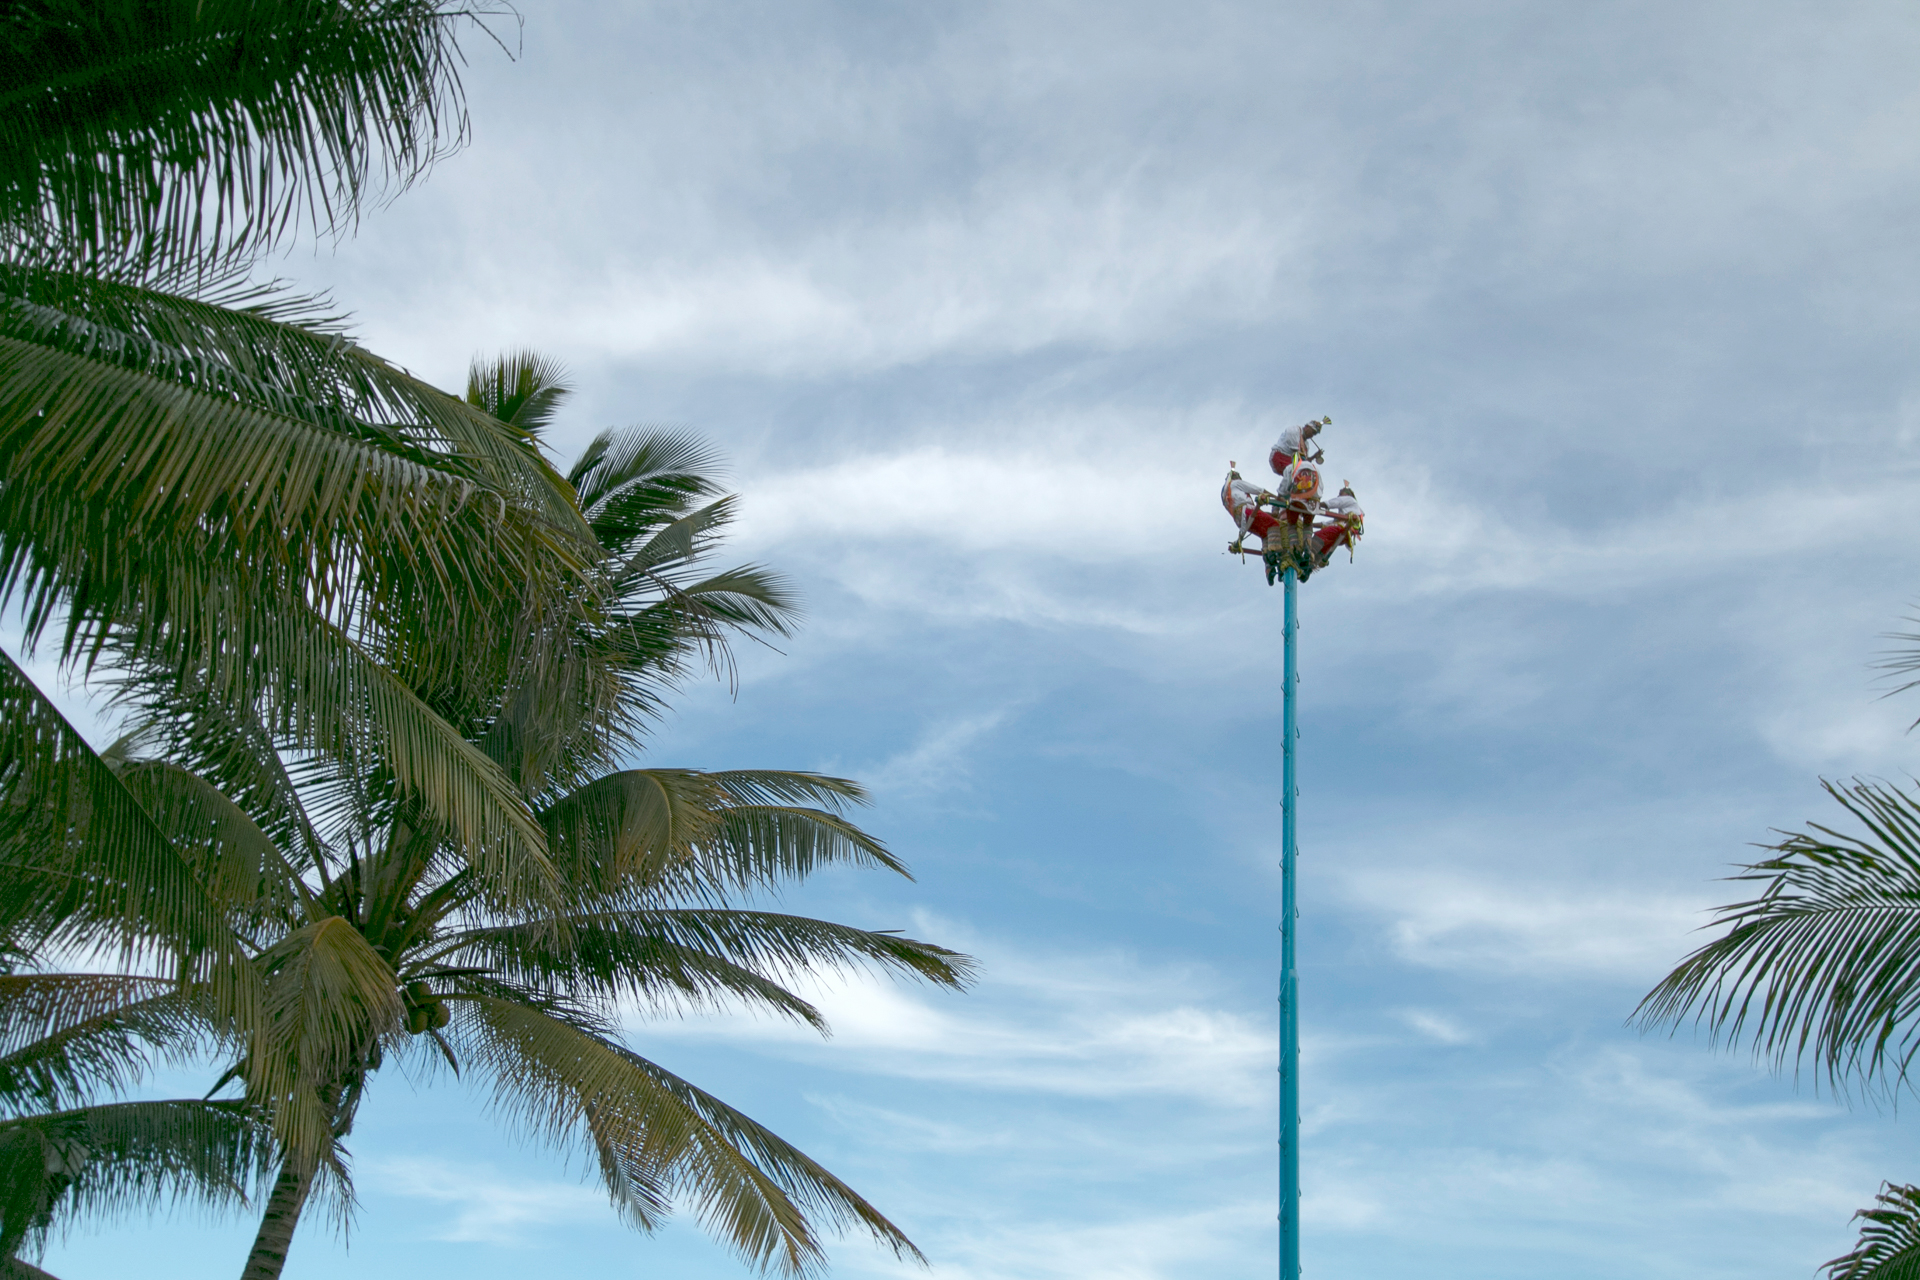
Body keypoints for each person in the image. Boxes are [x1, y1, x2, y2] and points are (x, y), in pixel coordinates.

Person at [1312, 481, 1364, 567]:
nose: (1339, 496)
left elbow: (1335, 502)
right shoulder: (1348, 512)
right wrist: (1312, 525)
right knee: (1326, 544)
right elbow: (1327, 523)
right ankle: (1312, 564)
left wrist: (1316, 505)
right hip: (1342, 534)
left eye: (1340, 494)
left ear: (1347, 494)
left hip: (1342, 529)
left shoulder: (1350, 499)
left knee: (1320, 536)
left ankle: (1310, 554)